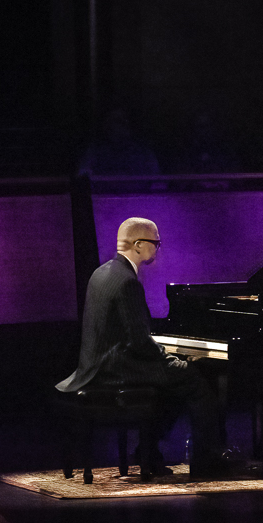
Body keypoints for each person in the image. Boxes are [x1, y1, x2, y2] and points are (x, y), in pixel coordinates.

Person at [56, 217, 229, 477]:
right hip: (117, 369)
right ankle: (209, 460)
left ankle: (149, 452)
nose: (158, 249)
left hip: (99, 365)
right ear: (138, 245)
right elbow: (138, 342)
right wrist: (171, 358)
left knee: (173, 384)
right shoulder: (127, 282)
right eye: (155, 243)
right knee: (196, 379)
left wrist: (168, 359)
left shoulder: (102, 272)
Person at [78, 108, 161, 177]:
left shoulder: (144, 152)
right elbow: (84, 177)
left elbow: (157, 182)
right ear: (106, 126)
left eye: (125, 120)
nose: (124, 123)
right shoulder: (95, 152)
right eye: (118, 121)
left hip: (138, 196)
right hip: (103, 196)